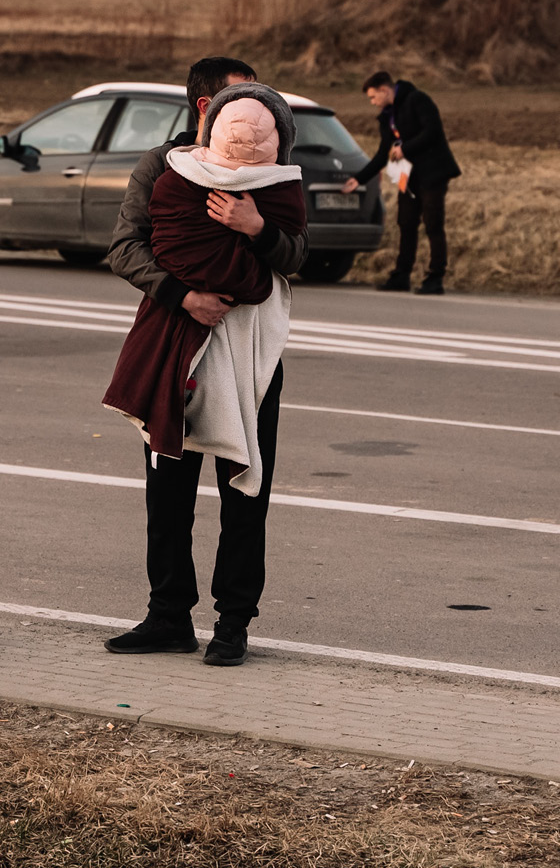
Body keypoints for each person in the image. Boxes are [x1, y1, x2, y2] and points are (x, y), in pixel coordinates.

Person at [103, 59, 308, 667]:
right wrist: (183, 295)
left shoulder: (275, 172)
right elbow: (125, 247)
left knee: (245, 490)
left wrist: (257, 226)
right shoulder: (162, 167)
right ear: (204, 109)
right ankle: (168, 615)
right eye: (237, 99)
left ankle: (234, 623)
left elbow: (297, 253)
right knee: (167, 491)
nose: (254, 110)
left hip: (251, 352)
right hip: (176, 339)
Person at [341, 71, 461, 296]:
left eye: (373, 97)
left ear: (385, 90)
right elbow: (382, 153)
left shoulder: (418, 100)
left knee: (433, 224)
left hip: (432, 173)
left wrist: (405, 149)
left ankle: (435, 277)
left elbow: (432, 131)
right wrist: (359, 179)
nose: (373, 102)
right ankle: (402, 274)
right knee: (406, 223)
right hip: (409, 177)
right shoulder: (387, 116)